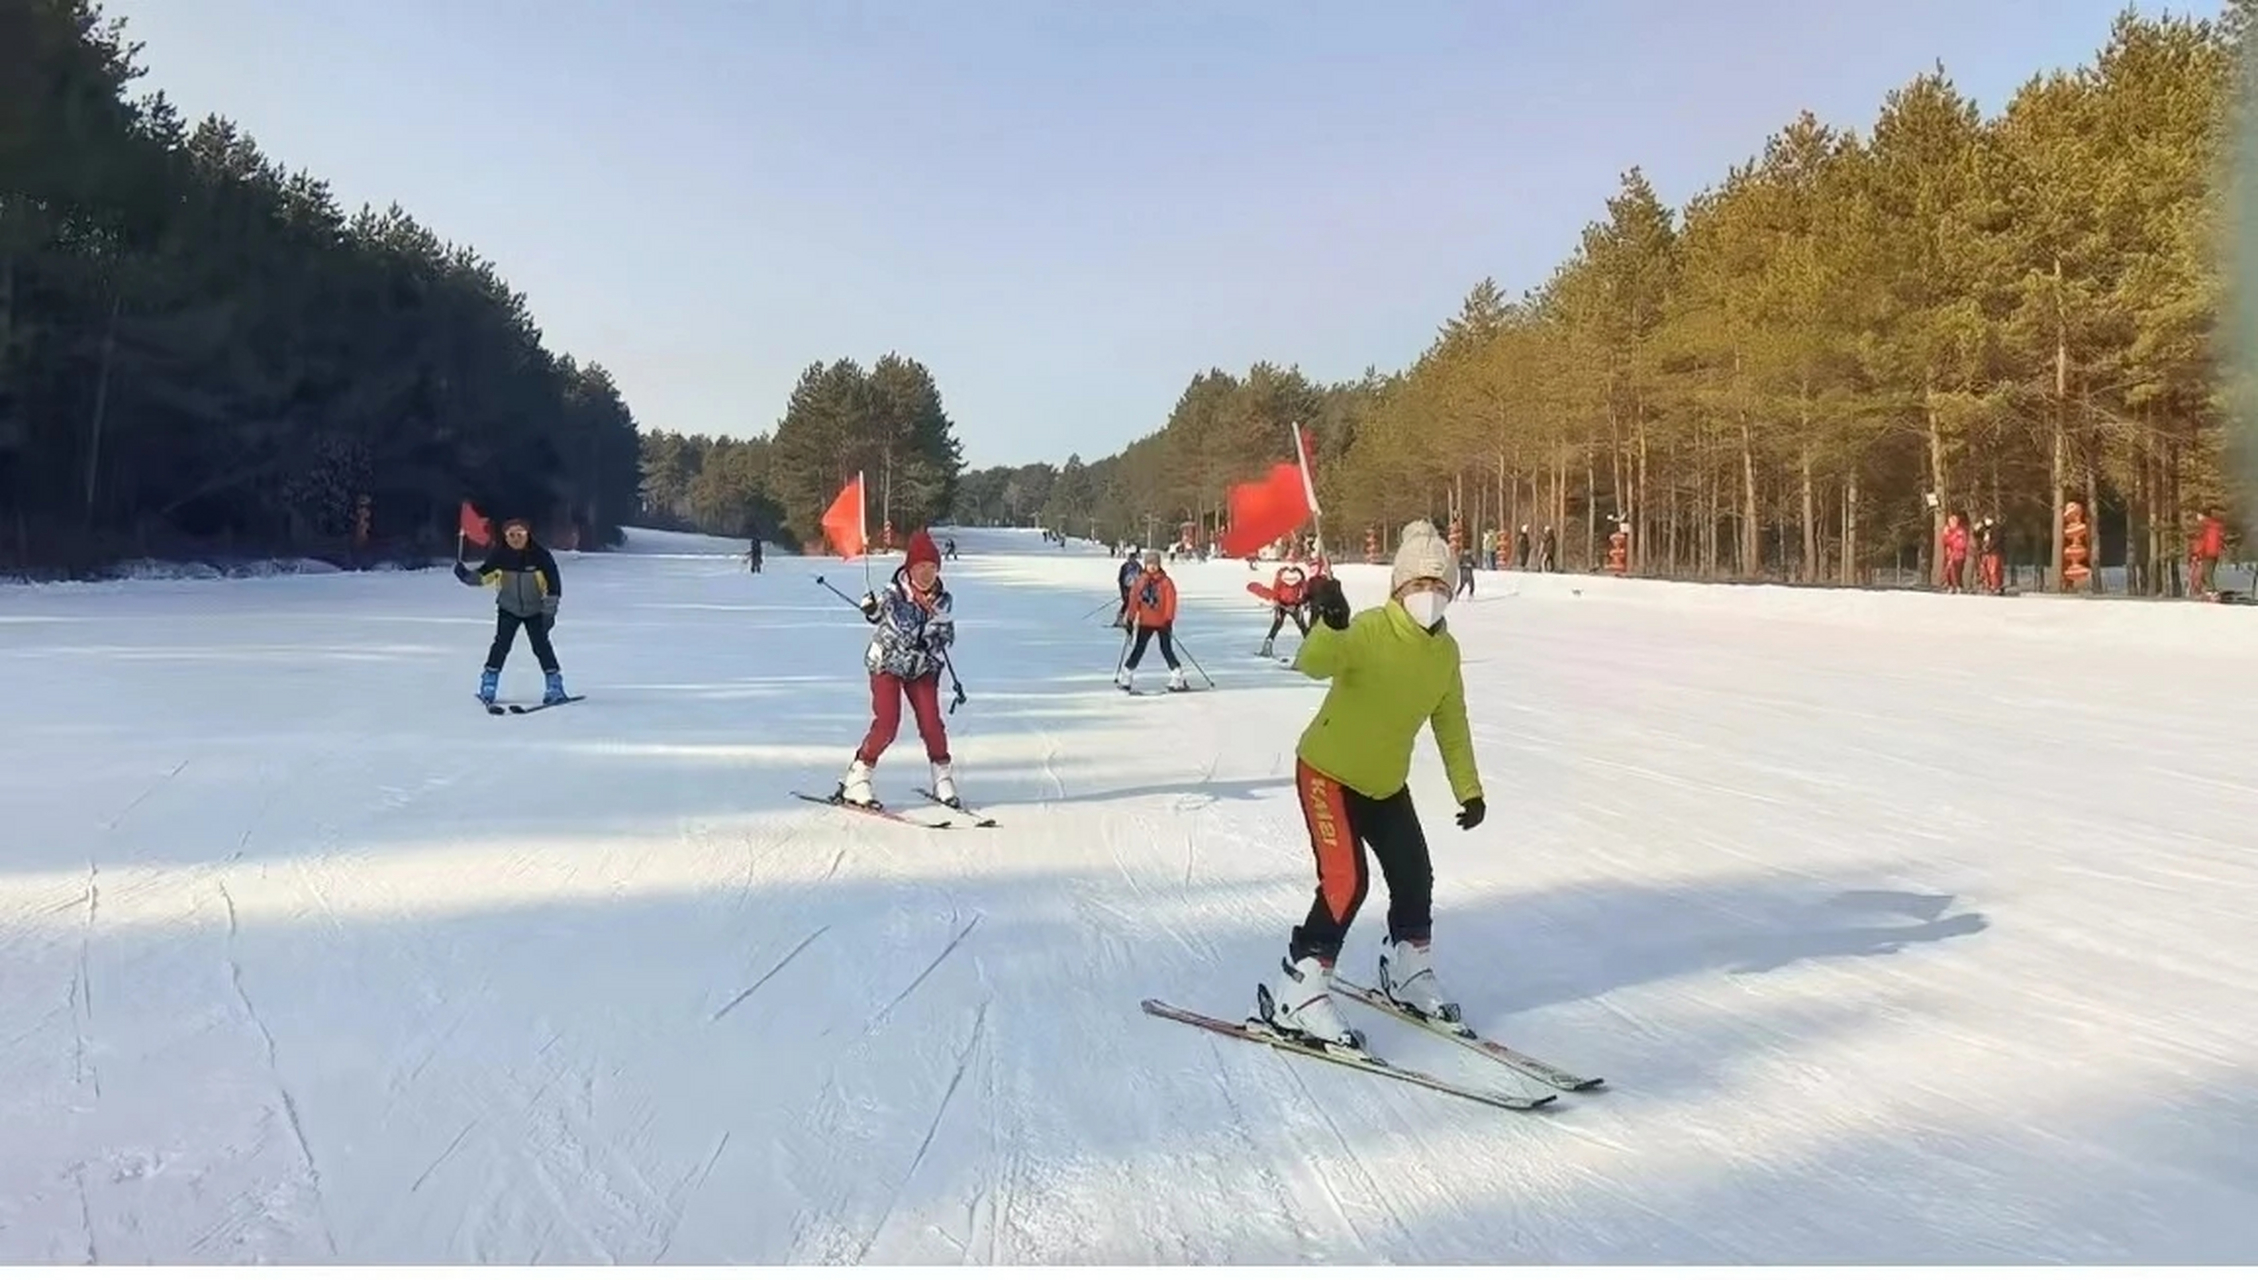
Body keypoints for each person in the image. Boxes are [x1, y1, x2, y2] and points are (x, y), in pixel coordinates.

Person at [1255, 519, 1484, 1052]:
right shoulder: (1369, 629)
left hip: (1384, 782)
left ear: (1451, 591)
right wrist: (1330, 623)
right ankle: (1300, 992)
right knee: (1345, 882)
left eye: (1437, 587)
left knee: (1414, 873)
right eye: (1416, 587)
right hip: (1328, 771)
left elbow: (1452, 722)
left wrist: (1468, 789)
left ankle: (1408, 971)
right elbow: (1311, 665)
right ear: (1397, 589)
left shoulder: (1444, 655)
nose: (1427, 596)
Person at [835, 529, 957, 809]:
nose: (926, 574)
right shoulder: (894, 594)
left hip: (921, 667)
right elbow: (879, 614)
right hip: (887, 663)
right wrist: (871, 608)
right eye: (920, 567)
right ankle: (858, 776)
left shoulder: (943, 600)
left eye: (932, 568)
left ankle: (942, 776)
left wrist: (932, 637)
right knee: (887, 724)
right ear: (909, 568)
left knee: (932, 723)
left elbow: (945, 635)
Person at [456, 516, 569, 706]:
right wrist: (466, 576)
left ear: (527, 535)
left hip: (536, 610)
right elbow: (484, 576)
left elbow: (554, 588)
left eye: (520, 534)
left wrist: (549, 613)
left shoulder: (541, 556)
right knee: (501, 645)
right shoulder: (499, 555)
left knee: (541, 647)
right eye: (511, 535)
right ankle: (488, 684)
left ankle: (554, 686)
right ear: (505, 536)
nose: (515, 538)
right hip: (508, 608)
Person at [1118, 549, 1188, 692]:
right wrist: (1130, 619)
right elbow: (1133, 602)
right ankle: (1126, 675)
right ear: (1145, 565)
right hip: (1145, 622)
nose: (1152, 567)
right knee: (1139, 649)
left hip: (1162, 622)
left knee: (1166, 649)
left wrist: (1169, 619)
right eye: (1150, 564)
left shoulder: (1166, 582)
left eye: (1155, 564)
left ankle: (1177, 676)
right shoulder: (1140, 581)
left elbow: (1171, 601)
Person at [1259, 562, 1310, 657]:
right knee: (1277, 624)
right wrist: (1276, 600)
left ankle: (1311, 646)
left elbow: (1304, 590)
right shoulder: (1281, 572)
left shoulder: (1299, 573)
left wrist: (1300, 603)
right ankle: (1267, 646)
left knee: (1302, 625)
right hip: (1281, 604)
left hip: (1295, 605)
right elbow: (1276, 588)